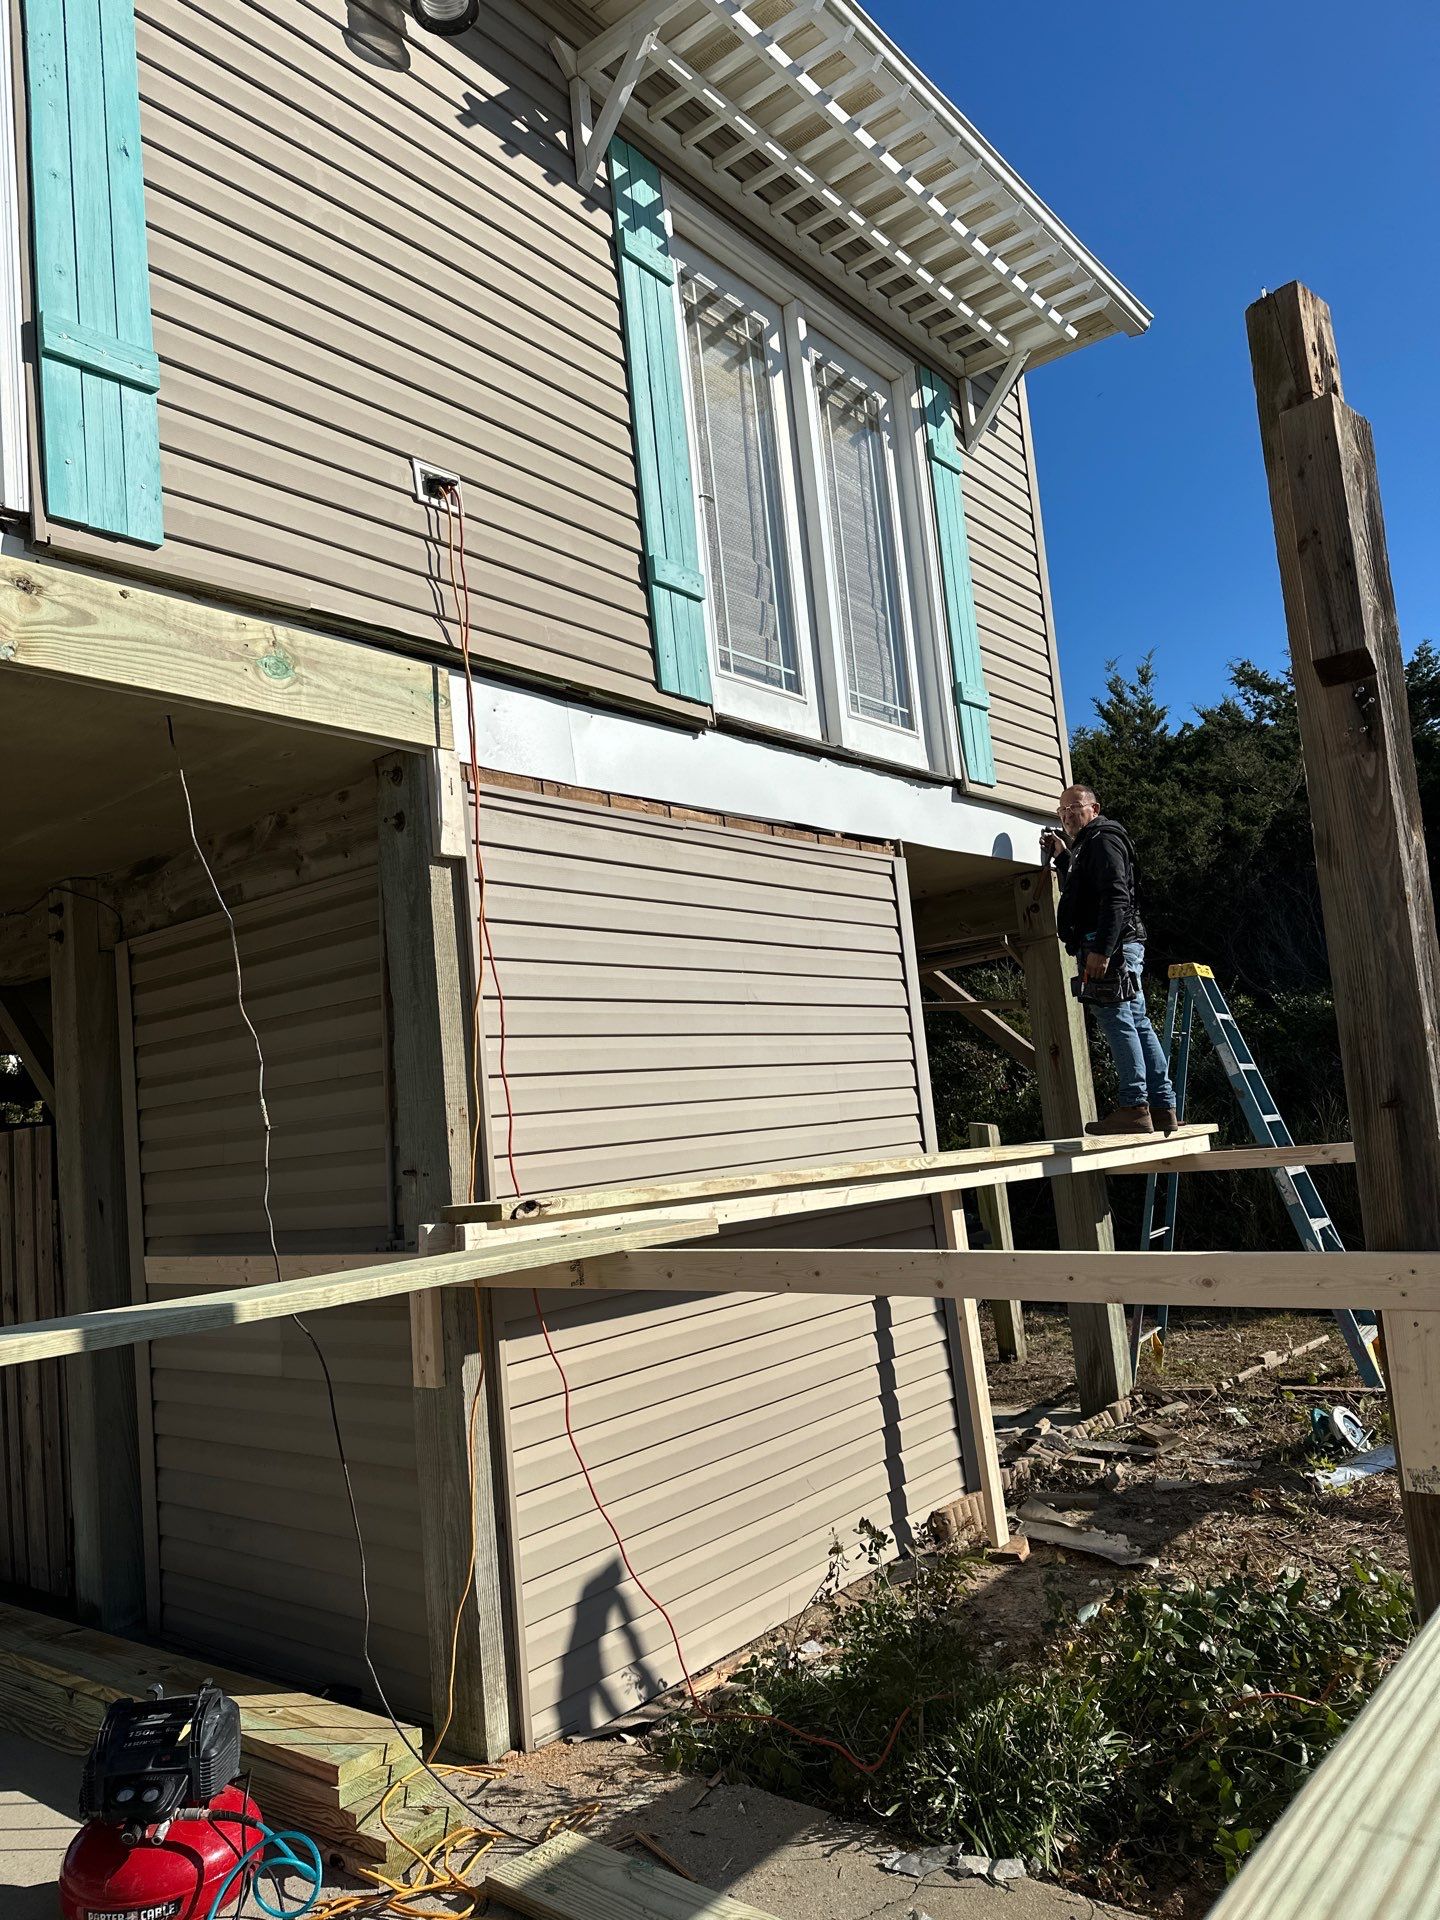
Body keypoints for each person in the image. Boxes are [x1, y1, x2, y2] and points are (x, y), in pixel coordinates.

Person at [1040, 784, 1177, 1136]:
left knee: (1117, 1019)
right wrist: (1063, 856)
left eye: (1075, 807)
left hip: (1109, 948)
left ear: (1094, 808)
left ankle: (1134, 1107)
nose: (1068, 814)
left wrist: (1102, 949)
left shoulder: (1102, 839)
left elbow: (1116, 896)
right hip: (1119, 945)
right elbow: (1088, 889)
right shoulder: (1091, 844)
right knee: (1136, 1020)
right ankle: (1162, 1108)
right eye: (1062, 810)